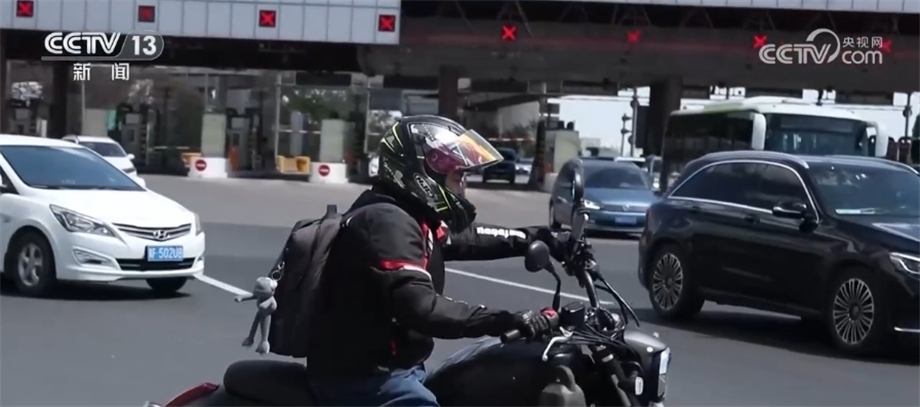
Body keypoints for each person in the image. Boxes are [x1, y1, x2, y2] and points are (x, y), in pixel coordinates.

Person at [306, 115, 585, 406]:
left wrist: (542, 238)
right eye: (457, 174)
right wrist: (507, 320)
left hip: (399, 369)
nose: (463, 184)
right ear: (423, 172)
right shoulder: (386, 222)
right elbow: (422, 308)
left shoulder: (408, 214)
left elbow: (468, 238)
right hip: (363, 381)